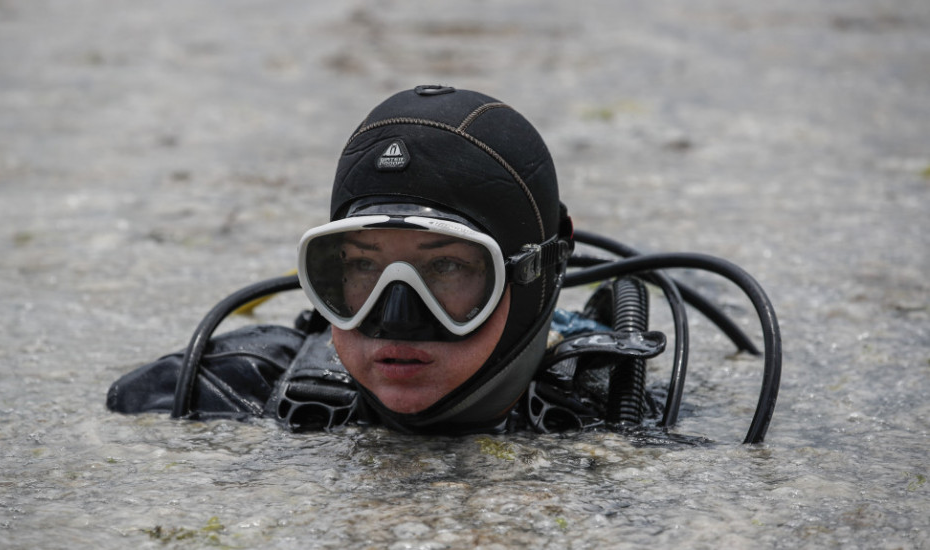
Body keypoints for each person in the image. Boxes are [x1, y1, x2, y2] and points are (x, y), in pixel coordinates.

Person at [107, 85, 782, 442]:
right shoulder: (224, 391)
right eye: (363, 268)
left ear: (535, 272)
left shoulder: (631, 419)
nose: (395, 320)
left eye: (449, 269)